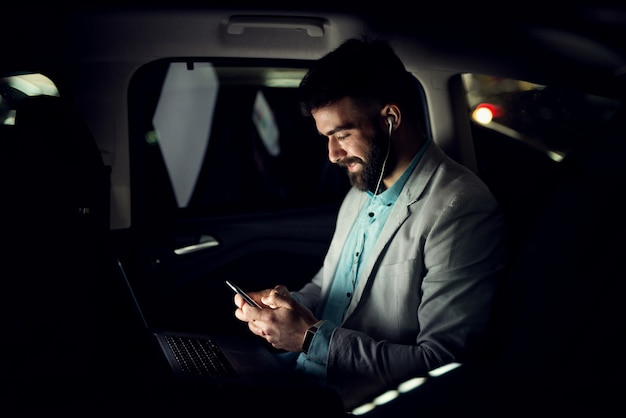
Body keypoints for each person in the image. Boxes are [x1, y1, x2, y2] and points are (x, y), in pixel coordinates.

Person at [232, 37, 507, 410]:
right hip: (299, 380)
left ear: (391, 118)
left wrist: (310, 340)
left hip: (360, 402)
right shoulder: (359, 193)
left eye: (342, 135)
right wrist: (282, 309)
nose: (332, 155)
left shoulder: (460, 207)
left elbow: (444, 363)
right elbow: (328, 287)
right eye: (327, 138)